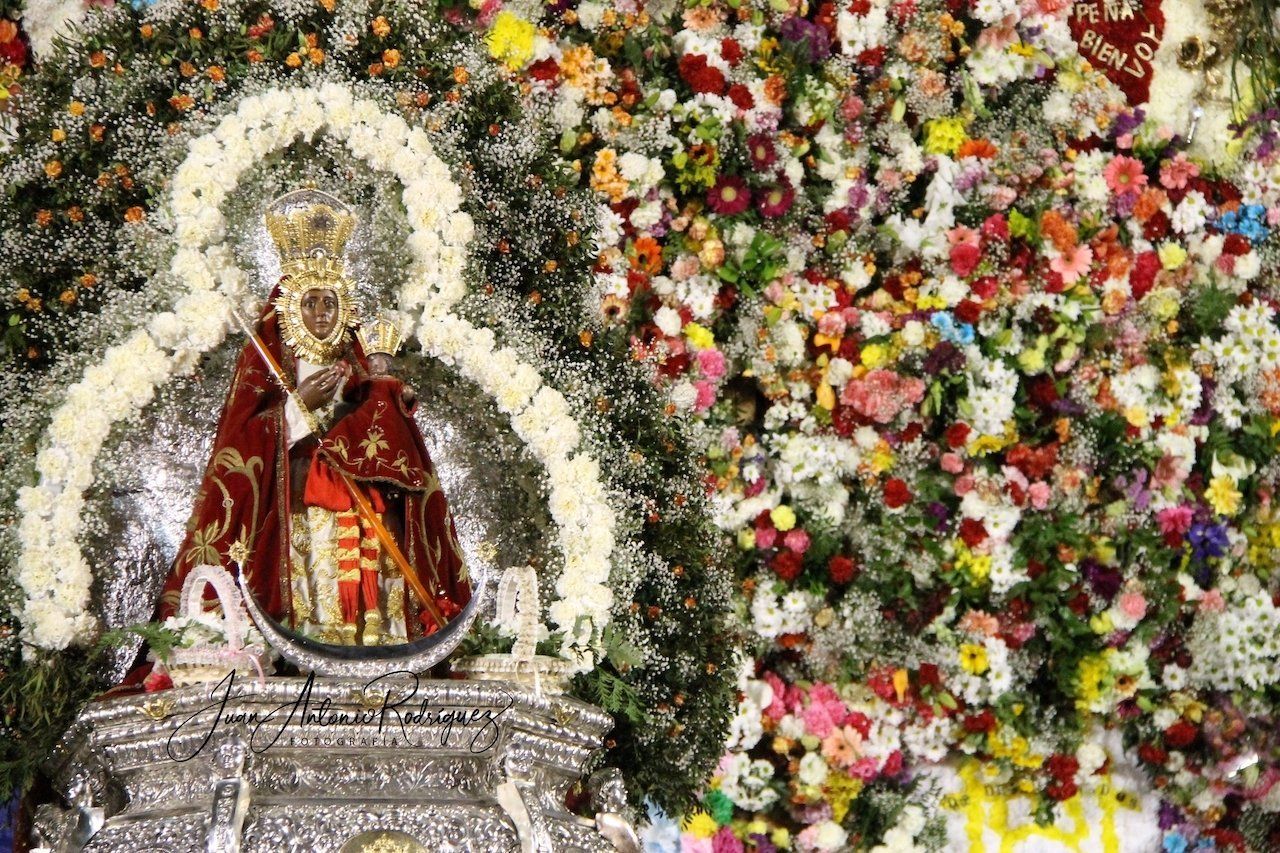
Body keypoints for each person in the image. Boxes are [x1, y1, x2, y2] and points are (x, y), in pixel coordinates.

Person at [155, 189, 468, 646]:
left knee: (368, 596)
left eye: (329, 303)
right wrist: (294, 406)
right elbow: (239, 444)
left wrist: (385, 400)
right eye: (310, 302)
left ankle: (375, 653)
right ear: (291, 308)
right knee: (312, 589)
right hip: (298, 503)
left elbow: (385, 436)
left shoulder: (359, 363)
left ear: (344, 308)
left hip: (363, 506)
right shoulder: (265, 361)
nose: (321, 314)